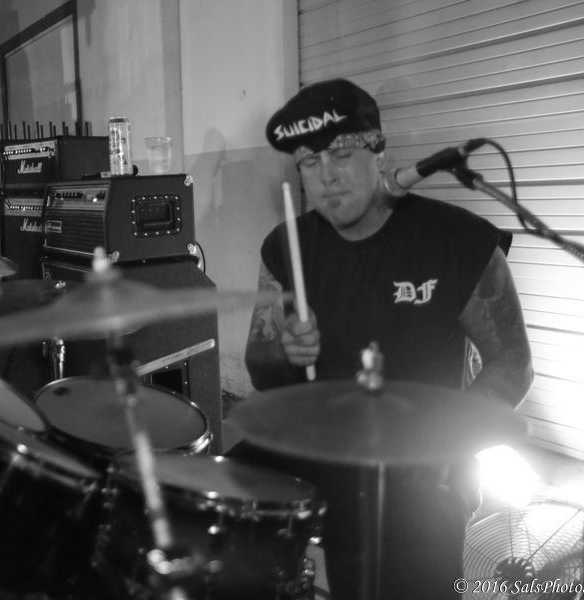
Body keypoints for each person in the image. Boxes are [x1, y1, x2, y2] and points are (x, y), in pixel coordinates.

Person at [239, 79, 533, 599]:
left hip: (423, 456)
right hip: (321, 442)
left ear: (379, 151)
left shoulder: (458, 240)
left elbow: (512, 364)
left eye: (341, 154)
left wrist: (445, 442)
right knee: (211, 503)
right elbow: (259, 367)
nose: (326, 176)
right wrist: (284, 352)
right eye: (309, 162)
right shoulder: (286, 247)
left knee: (401, 559)